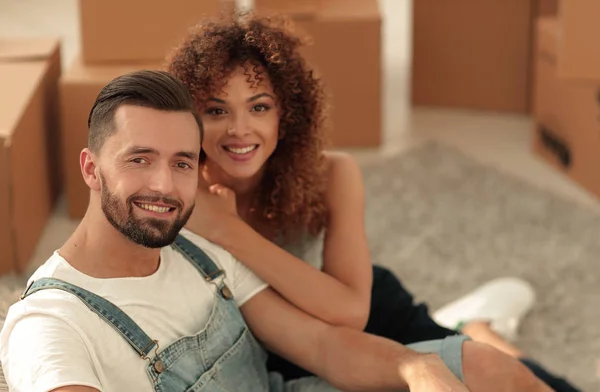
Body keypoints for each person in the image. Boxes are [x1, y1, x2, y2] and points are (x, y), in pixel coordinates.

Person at [0, 70, 551, 392]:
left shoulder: (194, 243)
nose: (165, 186)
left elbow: (318, 341)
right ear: (91, 168)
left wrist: (415, 365)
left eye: (183, 162)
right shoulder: (49, 325)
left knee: (482, 367)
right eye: (140, 159)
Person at [167, 13, 580, 392]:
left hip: (375, 318)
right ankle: (477, 330)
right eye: (216, 109)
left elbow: (351, 312)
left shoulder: (333, 174)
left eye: (259, 107)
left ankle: (477, 329)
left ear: (285, 114)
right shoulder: (184, 198)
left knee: (522, 381)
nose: (240, 130)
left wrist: (229, 230)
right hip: (292, 352)